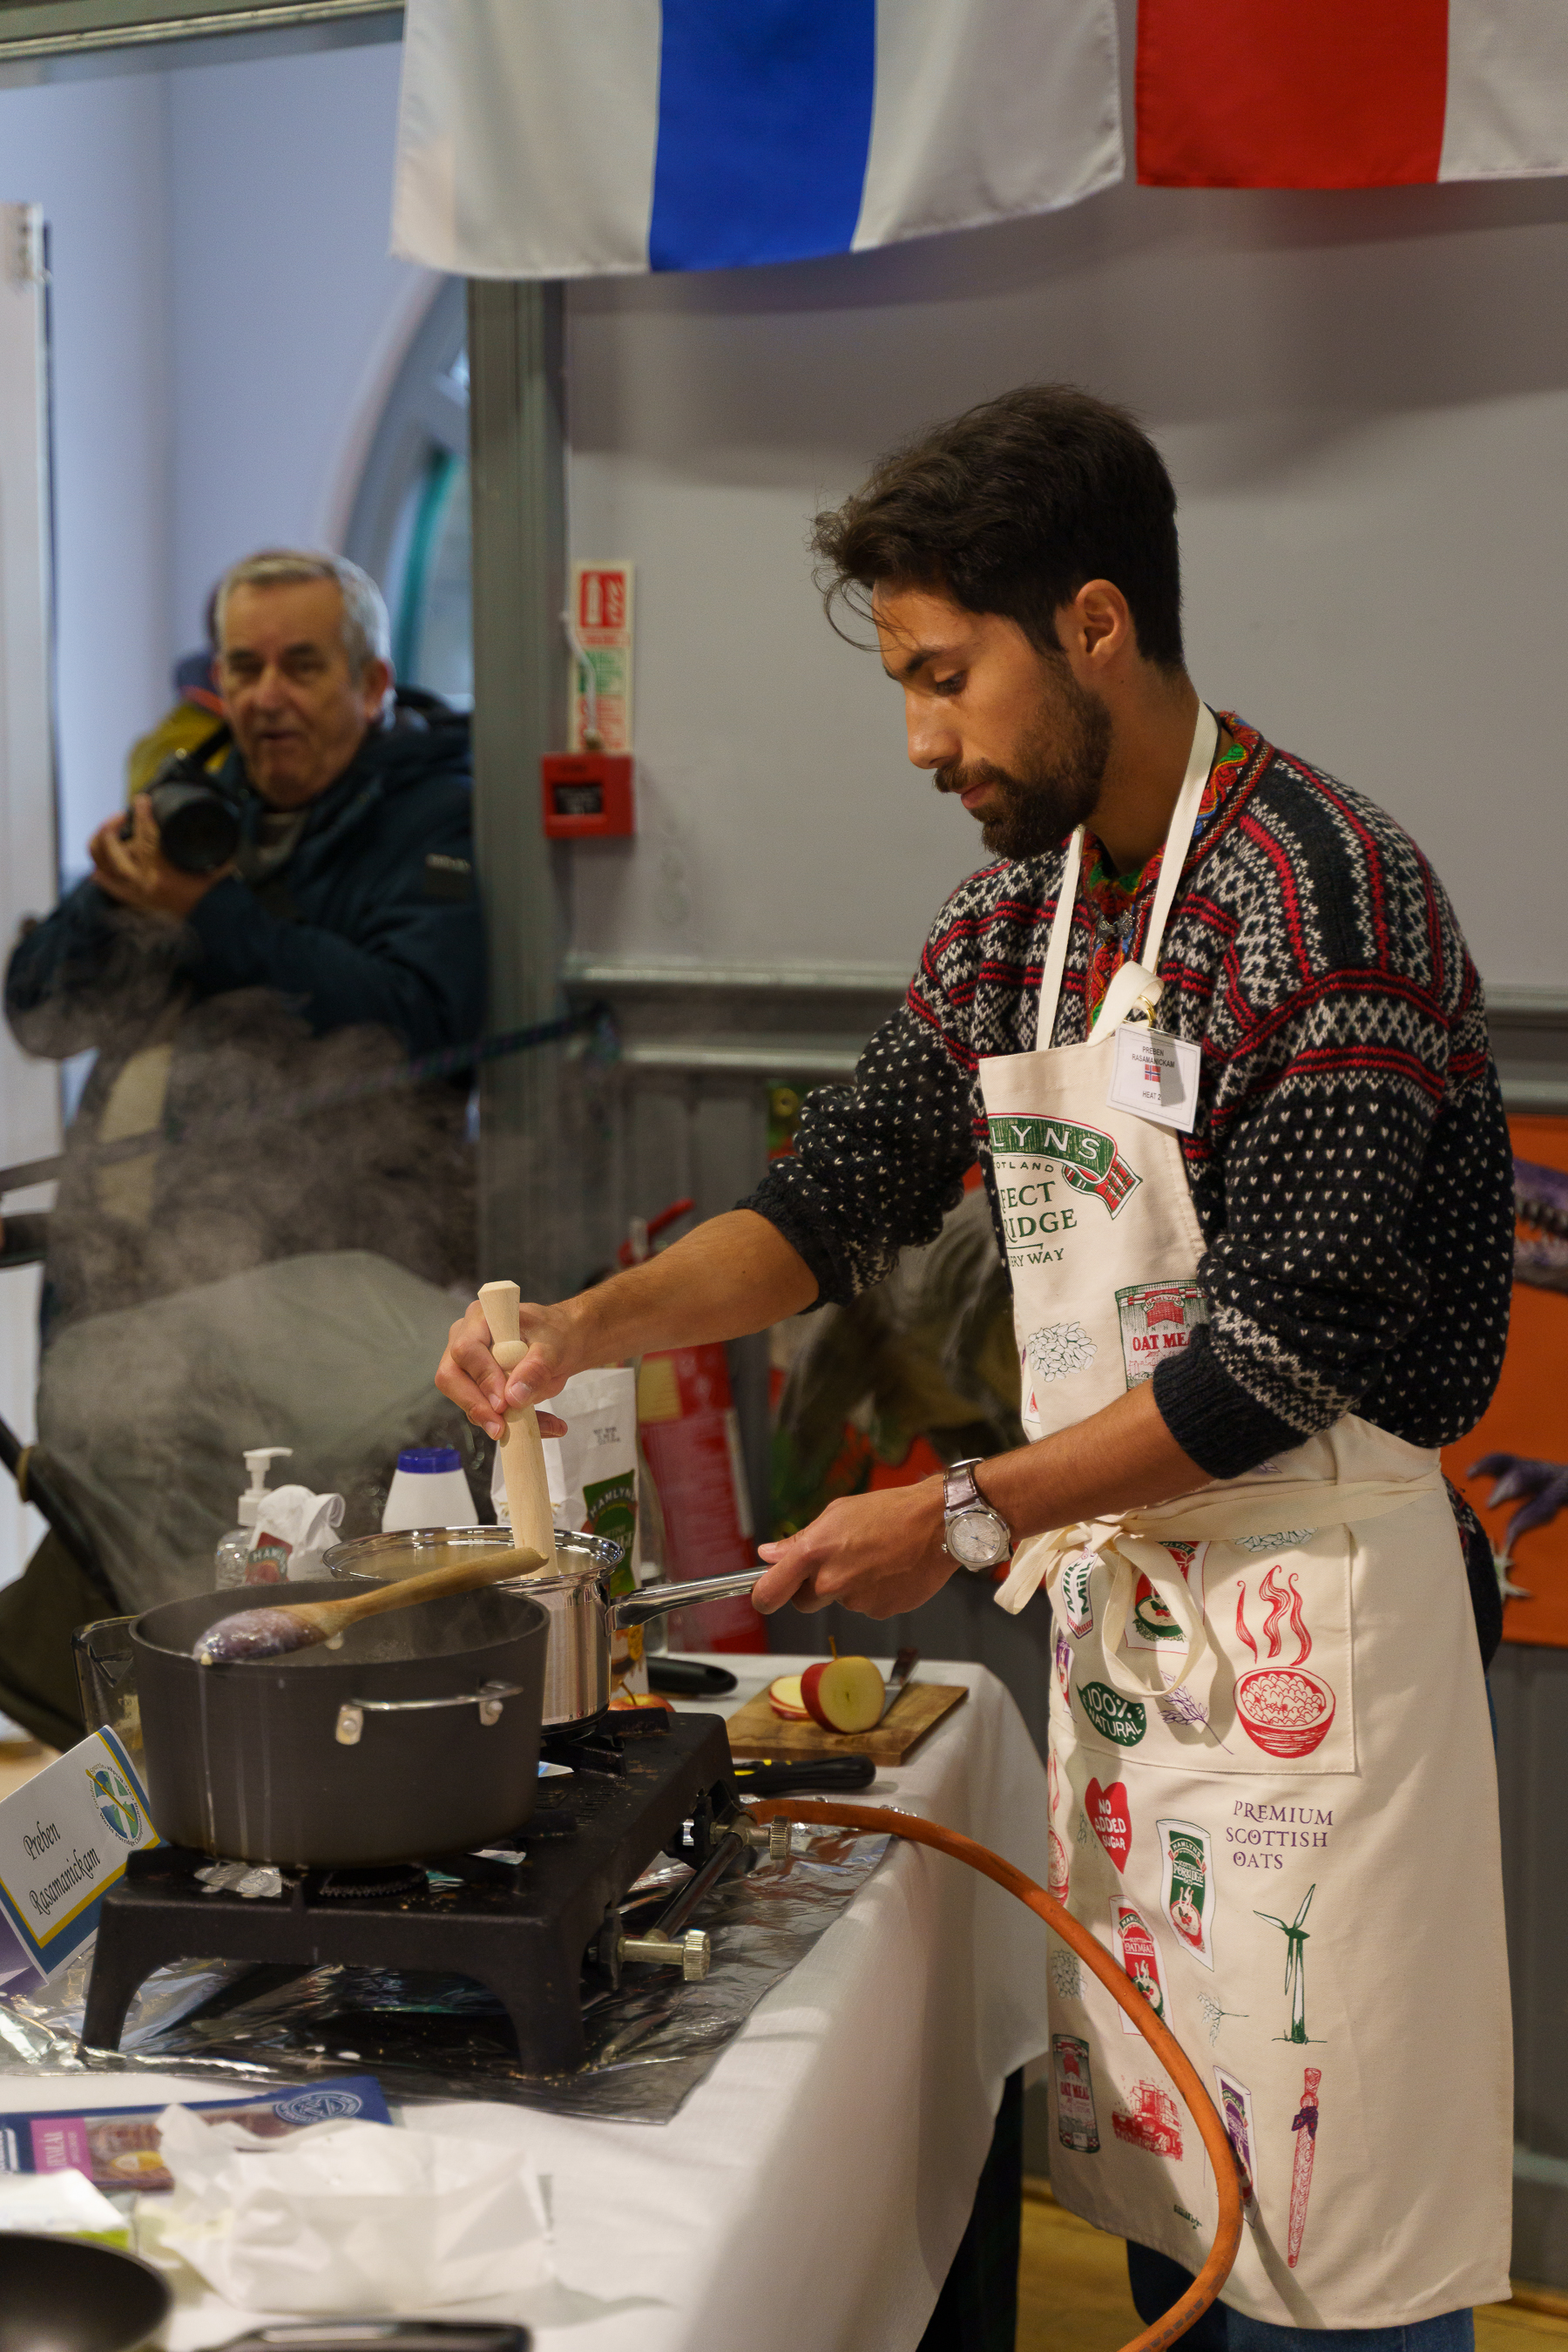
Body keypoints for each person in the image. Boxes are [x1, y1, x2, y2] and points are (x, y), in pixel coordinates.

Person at [438, 388, 1513, 2349]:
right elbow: (829, 1198)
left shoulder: (1325, 900)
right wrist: (578, 1328)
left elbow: (1279, 1358)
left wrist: (962, 1510)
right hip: (1128, 1626)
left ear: (1093, 624)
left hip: (1313, 1642)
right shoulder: (1022, 917)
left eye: (948, 678)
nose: (923, 740)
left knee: (1325, 2247)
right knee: (1176, 2208)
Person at [2, 549, 486, 1741]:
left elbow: (410, 1023)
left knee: (288, 1621)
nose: (267, 695)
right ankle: (156, 1806)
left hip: (317, 1297)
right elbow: (41, 1008)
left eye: (302, 665)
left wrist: (202, 912)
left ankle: (276, 1798)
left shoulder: (436, 809)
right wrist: (116, 893)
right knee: (132, 1615)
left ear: (372, 683)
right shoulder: (193, 799)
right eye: (245, 666)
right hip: (119, 1291)